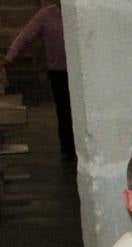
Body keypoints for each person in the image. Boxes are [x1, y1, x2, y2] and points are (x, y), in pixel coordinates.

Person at [0, 0, 74, 159]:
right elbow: (25, 36)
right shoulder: (46, 15)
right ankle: (68, 149)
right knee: (64, 111)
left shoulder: (77, 14)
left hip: (79, 72)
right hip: (59, 72)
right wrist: (9, 57)